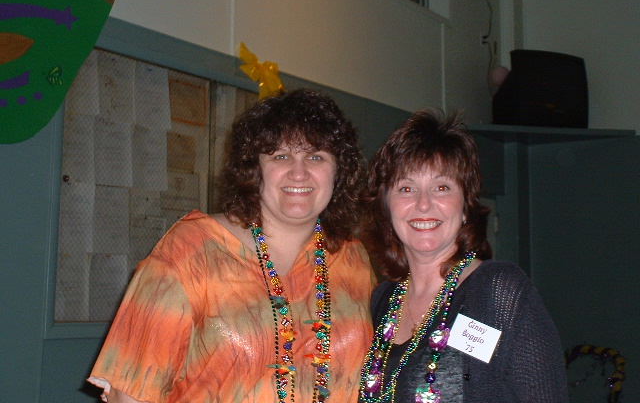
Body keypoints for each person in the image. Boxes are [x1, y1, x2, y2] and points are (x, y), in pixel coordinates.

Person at [88, 88, 375, 403]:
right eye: (280, 156)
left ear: (338, 171)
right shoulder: (193, 250)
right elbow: (130, 394)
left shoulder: (354, 260)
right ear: (255, 169)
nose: (299, 172)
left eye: (316, 156)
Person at [358, 109, 568, 403]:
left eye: (441, 187)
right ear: (386, 207)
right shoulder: (382, 301)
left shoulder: (498, 292)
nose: (423, 204)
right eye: (406, 188)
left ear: (466, 205)